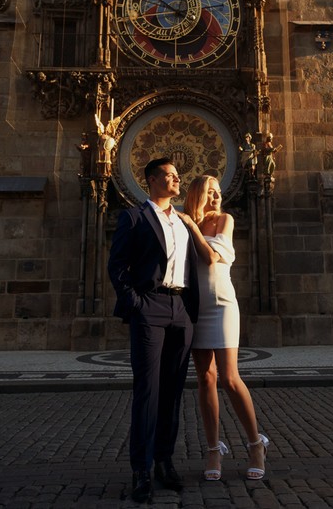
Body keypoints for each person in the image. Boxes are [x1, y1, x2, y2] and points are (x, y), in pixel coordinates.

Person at [107, 157, 200, 503]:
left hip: (181, 310)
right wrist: (136, 304)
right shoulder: (134, 217)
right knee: (148, 391)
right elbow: (117, 266)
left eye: (178, 175)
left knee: (173, 391)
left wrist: (192, 310)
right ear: (152, 180)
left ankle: (164, 460)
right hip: (151, 306)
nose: (178, 179)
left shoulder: (184, 222)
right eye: (171, 175)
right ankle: (141, 469)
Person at [176, 175, 270, 481]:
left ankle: (256, 444)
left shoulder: (224, 220)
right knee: (205, 378)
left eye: (219, 192)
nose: (217, 197)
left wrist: (191, 227)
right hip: (196, 307)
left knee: (229, 377)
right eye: (211, 193)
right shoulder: (183, 224)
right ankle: (213, 449)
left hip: (222, 305)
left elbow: (212, 257)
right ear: (198, 195)